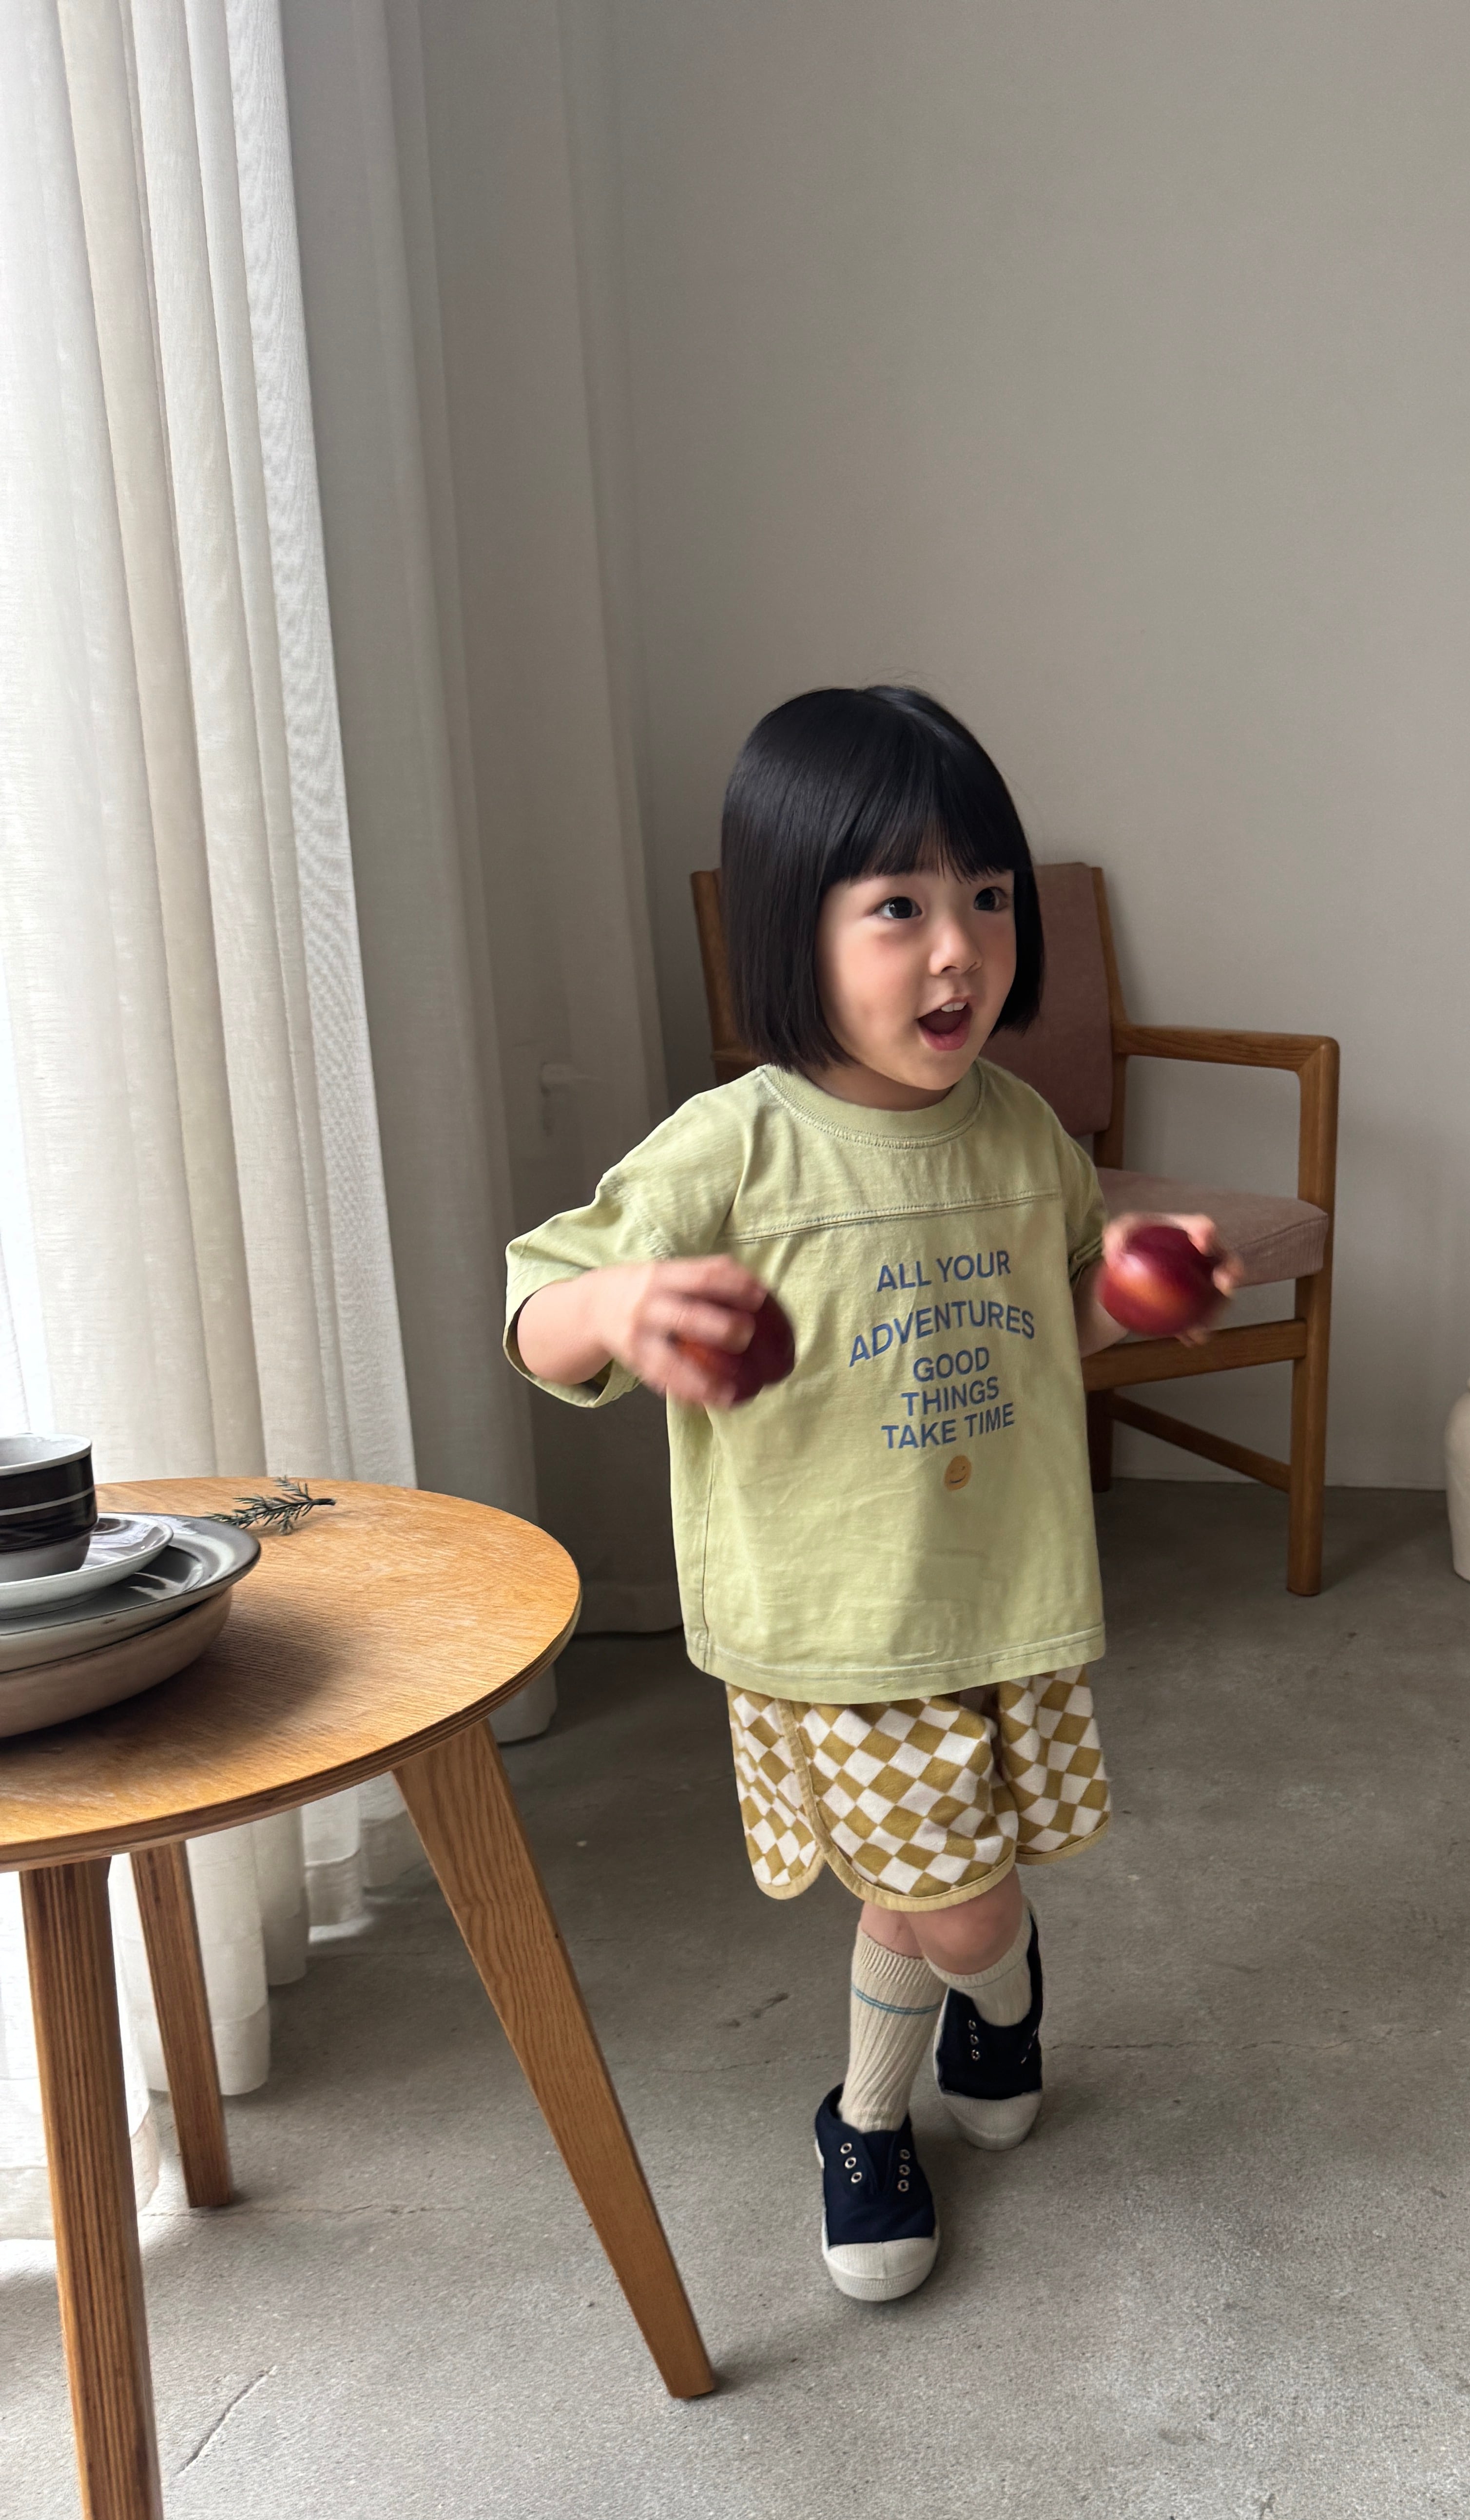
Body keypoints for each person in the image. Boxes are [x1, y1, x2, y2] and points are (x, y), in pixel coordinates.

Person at [504, 685, 1237, 2303]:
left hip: (1005, 1591)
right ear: (793, 928)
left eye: (989, 897)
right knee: (957, 1906)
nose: (958, 949)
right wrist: (619, 1308)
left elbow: (1062, 1299)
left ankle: (897, 2090)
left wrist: (1143, 1288)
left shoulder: (1024, 1131)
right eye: (898, 906)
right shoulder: (731, 1149)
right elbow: (537, 1304)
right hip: (836, 1623)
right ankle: (932, 2058)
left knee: (924, 1886)